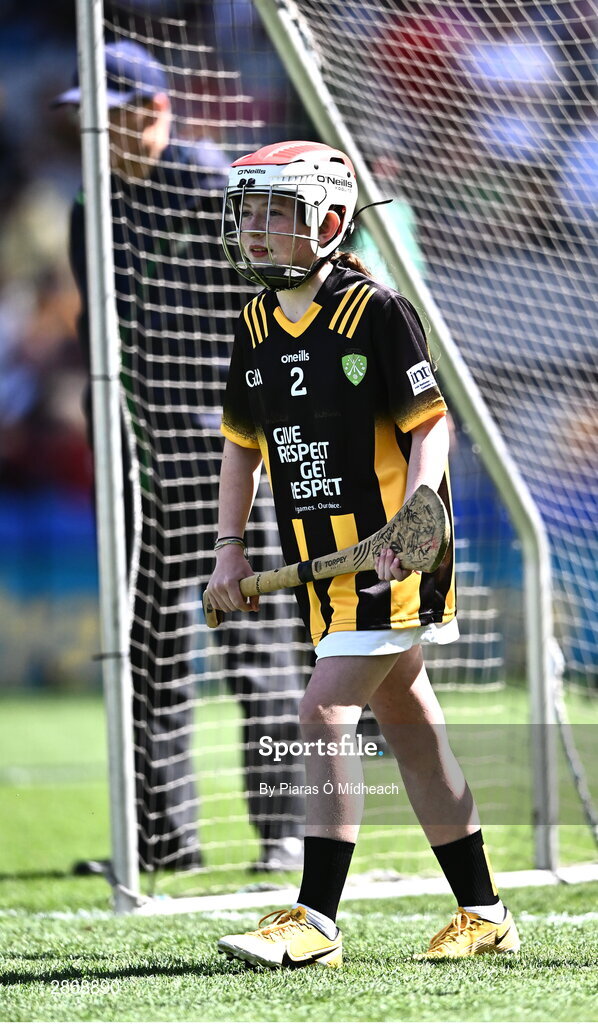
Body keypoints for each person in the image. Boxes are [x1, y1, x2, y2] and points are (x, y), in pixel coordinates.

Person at [205, 140, 521, 964]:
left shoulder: (374, 311)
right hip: (324, 565)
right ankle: (484, 912)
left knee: (321, 713)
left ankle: (315, 920)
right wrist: (228, 551)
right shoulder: (254, 322)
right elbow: (243, 448)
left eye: (276, 212)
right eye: (248, 211)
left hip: (390, 556)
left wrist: (416, 520)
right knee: (411, 726)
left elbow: (431, 425)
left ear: (330, 222)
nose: (256, 228)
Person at [53, 42, 308, 874]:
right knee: (146, 650)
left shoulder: (218, 194)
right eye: (89, 116)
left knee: (255, 646)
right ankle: (165, 840)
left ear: (158, 111)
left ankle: (282, 835)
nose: (102, 131)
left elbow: (276, 316)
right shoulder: (90, 209)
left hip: (225, 455)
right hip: (135, 460)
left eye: (119, 114)